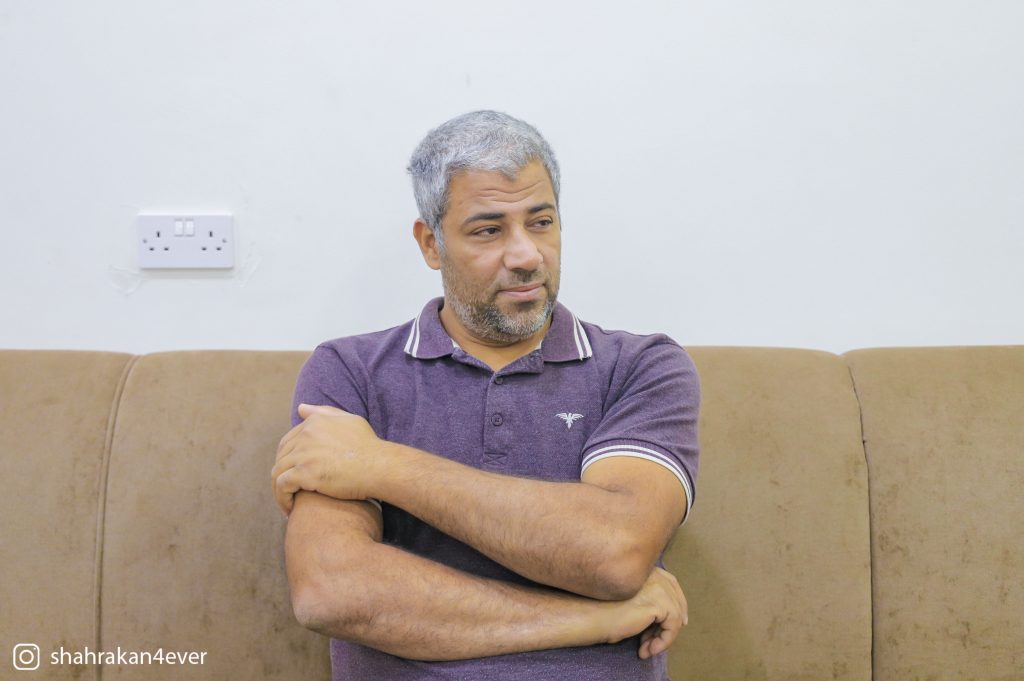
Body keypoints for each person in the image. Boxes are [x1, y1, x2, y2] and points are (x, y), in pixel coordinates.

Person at [272, 110, 700, 680]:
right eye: (488, 230)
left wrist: (379, 465)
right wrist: (595, 619)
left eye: (541, 222)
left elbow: (615, 552)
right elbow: (333, 590)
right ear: (431, 244)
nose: (526, 256)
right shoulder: (350, 372)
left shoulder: (641, 367)